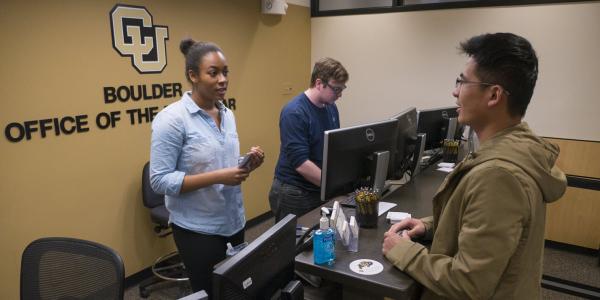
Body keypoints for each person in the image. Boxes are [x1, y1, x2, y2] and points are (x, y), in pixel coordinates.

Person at [382, 33, 567, 299]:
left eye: (462, 81)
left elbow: (468, 283)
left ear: (493, 95)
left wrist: (403, 251)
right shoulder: (514, 150)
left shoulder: (498, 175)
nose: (455, 91)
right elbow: (479, 225)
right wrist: (430, 226)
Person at [150, 39, 264, 295]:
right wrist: (219, 176)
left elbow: (221, 165)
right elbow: (159, 180)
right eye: (213, 73)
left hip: (233, 221)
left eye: (225, 72)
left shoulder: (227, 113)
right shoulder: (172, 120)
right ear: (193, 76)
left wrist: (246, 164)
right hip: (198, 230)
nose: (223, 79)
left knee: (235, 289)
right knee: (210, 292)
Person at [269, 57, 349, 222]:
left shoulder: (331, 108)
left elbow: (332, 146)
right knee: (294, 245)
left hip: (317, 187)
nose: (340, 94)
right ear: (319, 83)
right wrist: (333, 185)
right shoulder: (295, 112)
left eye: (343, 89)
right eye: (336, 89)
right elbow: (301, 163)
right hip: (294, 192)